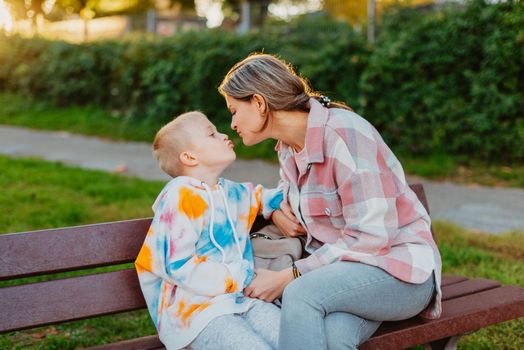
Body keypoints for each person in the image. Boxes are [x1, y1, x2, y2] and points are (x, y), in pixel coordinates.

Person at [219, 54, 442, 349]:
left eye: (235, 110)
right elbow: (286, 195)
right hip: (342, 280)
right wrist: (273, 211)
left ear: (259, 103)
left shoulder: (344, 134)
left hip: (398, 272)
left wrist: (292, 274)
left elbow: (373, 238)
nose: (232, 123)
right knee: (334, 337)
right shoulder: (288, 148)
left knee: (300, 293)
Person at [134, 111, 283, 350]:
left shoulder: (231, 193)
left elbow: (267, 197)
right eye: (212, 134)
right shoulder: (180, 197)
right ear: (190, 157)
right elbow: (177, 265)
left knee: (299, 337)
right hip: (196, 314)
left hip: (241, 299)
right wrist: (237, 276)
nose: (224, 135)